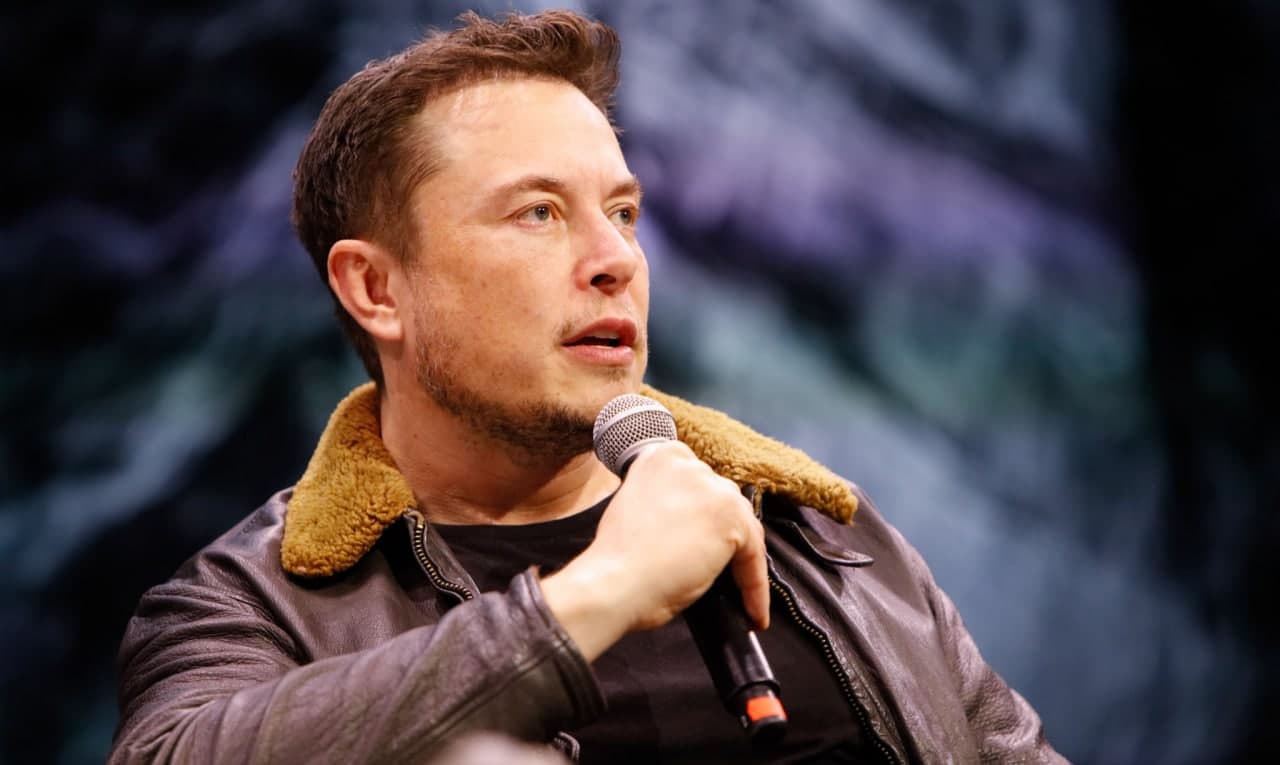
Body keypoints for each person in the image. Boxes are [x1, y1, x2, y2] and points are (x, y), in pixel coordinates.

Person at [110, 9, 1066, 764]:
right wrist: (599, 593)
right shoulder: (250, 603)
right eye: (538, 213)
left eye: (623, 211)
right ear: (377, 289)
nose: (619, 259)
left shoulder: (822, 535)